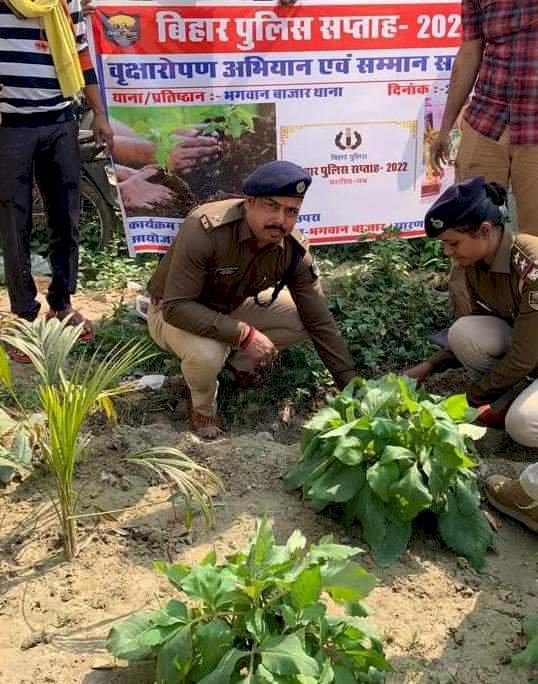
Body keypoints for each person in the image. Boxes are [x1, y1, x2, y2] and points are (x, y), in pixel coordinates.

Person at [146, 160, 356, 434]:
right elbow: (176, 307)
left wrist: (352, 387)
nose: (281, 220)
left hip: (231, 306)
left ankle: (237, 364)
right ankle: (203, 409)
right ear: (249, 202)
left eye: (291, 211)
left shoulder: (291, 248)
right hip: (174, 313)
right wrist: (244, 335)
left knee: (304, 319)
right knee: (208, 354)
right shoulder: (206, 228)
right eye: (272, 206)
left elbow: (320, 321)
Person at [406, 176, 537, 533]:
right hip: (530, 353)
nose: (448, 252)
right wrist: (430, 364)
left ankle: (509, 402)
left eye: (452, 243)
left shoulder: (531, 263)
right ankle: (509, 395)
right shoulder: (477, 264)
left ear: (483, 230)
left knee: (522, 424)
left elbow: (524, 356)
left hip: (531, 355)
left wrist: (467, 402)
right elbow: (493, 324)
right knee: (464, 333)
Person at [0, 0, 113, 360]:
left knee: (66, 217)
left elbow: (80, 54)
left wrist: (99, 113)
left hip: (61, 121)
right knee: (12, 221)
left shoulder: (66, 1)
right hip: (10, 127)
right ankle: (24, 315)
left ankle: (61, 303)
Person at [430, 0, 538, 317]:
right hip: (488, 120)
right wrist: (446, 127)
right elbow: (469, 51)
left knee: (534, 242)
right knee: (464, 228)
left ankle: (529, 333)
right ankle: (466, 328)